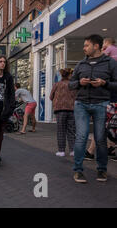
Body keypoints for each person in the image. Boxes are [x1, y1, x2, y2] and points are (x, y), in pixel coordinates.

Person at [69, 34, 117, 183]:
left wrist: (104, 83)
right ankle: (77, 171)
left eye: (86, 45)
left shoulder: (110, 63)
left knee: (100, 139)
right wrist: (80, 83)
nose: (84, 48)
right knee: (81, 137)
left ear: (96, 46)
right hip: (81, 104)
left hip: (101, 104)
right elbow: (71, 84)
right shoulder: (80, 64)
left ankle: (102, 170)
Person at [50, 68, 77, 157]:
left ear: (62, 75)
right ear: (69, 75)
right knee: (71, 130)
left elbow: (51, 97)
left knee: (61, 130)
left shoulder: (57, 84)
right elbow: (77, 96)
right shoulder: (73, 85)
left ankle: (61, 151)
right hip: (71, 109)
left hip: (60, 110)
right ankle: (72, 150)